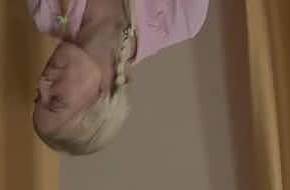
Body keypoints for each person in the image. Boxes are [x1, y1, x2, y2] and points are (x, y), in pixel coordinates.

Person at [27, 0, 210, 155]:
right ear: (99, 100)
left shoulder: (46, 12)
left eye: (38, 95)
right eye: (56, 100)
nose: (42, 83)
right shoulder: (182, 18)